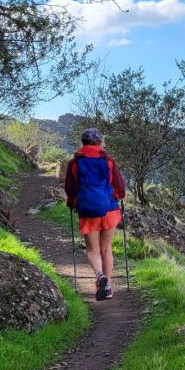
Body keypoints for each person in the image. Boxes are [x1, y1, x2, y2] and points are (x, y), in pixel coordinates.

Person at [64, 128, 127, 301]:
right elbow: (120, 188)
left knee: (93, 249)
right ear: (100, 142)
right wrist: (120, 196)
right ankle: (107, 288)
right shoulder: (108, 161)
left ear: (82, 143)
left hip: (87, 210)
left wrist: (72, 202)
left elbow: (70, 189)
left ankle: (99, 276)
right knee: (106, 249)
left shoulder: (75, 163)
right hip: (109, 209)